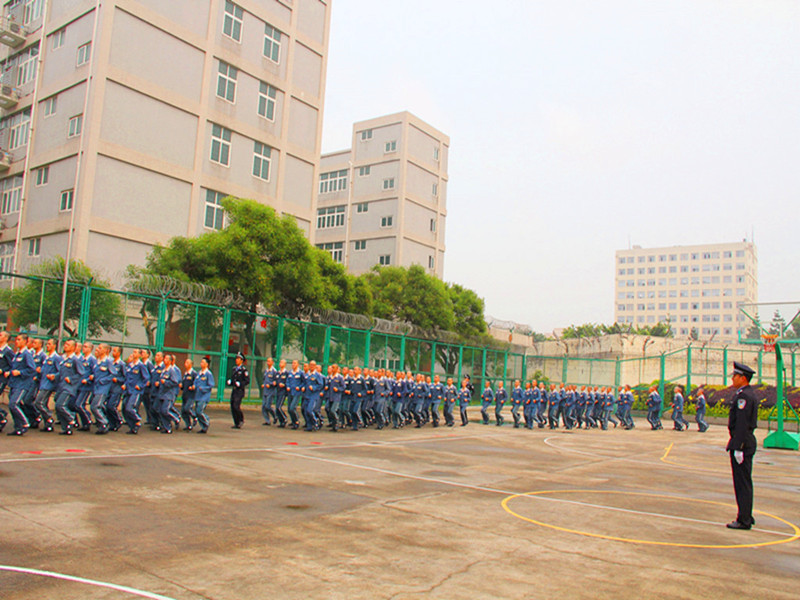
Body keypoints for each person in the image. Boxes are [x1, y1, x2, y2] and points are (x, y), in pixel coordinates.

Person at [726, 361, 758, 530]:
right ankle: (746, 515)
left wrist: (738, 446)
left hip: (743, 443)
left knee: (742, 483)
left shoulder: (744, 396)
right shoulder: (745, 393)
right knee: (744, 482)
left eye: (735, 376)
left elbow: (742, 424)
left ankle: (744, 519)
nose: (732, 378)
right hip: (744, 442)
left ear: (743, 378)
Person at [227, 352, 249, 429]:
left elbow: (247, 380)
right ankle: (236, 422)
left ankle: (241, 419)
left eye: (238, 359)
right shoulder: (234, 369)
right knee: (232, 406)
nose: (236, 360)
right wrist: (231, 382)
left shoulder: (244, 370)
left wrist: (240, 384)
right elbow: (233, 379)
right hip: (234, 390)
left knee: (236, 406)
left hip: (239, 391)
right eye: (236, 358)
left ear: (242, 360)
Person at [194, 356, 215, 434]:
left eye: (203, 362)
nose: (201, 363)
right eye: (201, 362)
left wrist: (203, 388)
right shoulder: (199, 373)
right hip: (197, 396)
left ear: (207, 364)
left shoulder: (208, 374)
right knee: (197, 412)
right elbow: (195, 382)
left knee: (199, 411)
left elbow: (211, 385)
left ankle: (206, 421)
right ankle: (203, 427)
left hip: (204, 397)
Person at [261, 357, 278, 426]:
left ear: (272, 362)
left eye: (269, 361)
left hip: (271, 391)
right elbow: (264, 379)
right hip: (265, 391)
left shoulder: (274, 371)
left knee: (268, 406)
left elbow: (275, 382)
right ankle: (267, 420)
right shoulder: (266, 370)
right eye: (267, 361)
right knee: (263, 406)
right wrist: (264, 384)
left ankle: (275, 415)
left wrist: (270, 385)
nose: (268, 363)